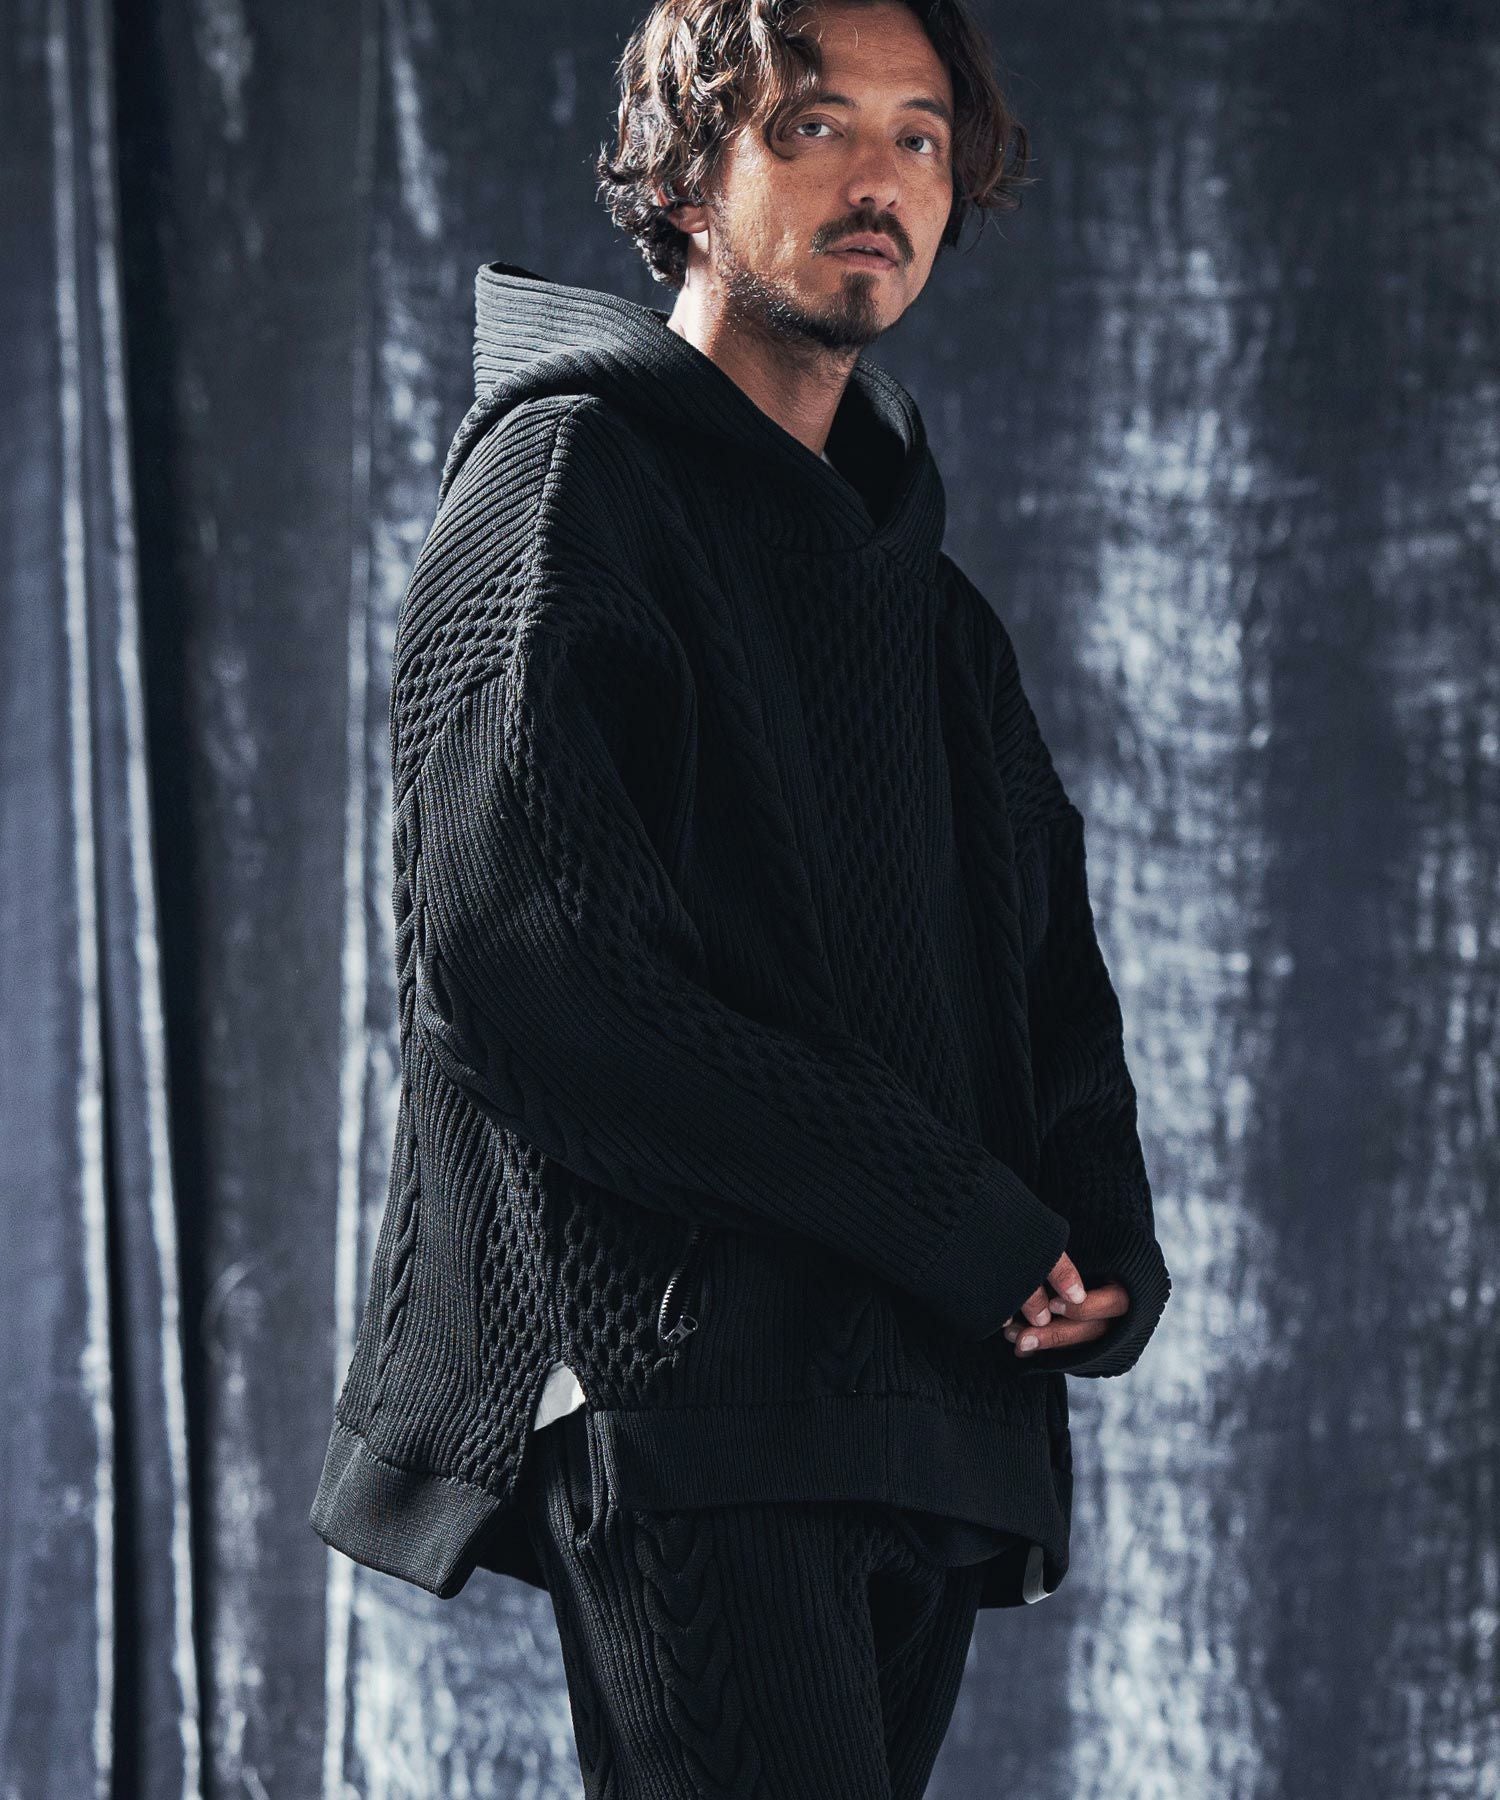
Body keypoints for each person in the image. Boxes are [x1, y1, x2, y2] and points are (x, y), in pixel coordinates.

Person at [309, 1, 1172, 1792]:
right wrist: (950, 1212)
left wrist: (1098, 1234)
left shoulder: (932, 609)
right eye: (813, 126)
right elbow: (533, 975)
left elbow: (1045, 967)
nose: (881, 180)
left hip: (924, 1410)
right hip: (692, 1399)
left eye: (919, 136)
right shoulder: (567, 487)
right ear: (688, 180)